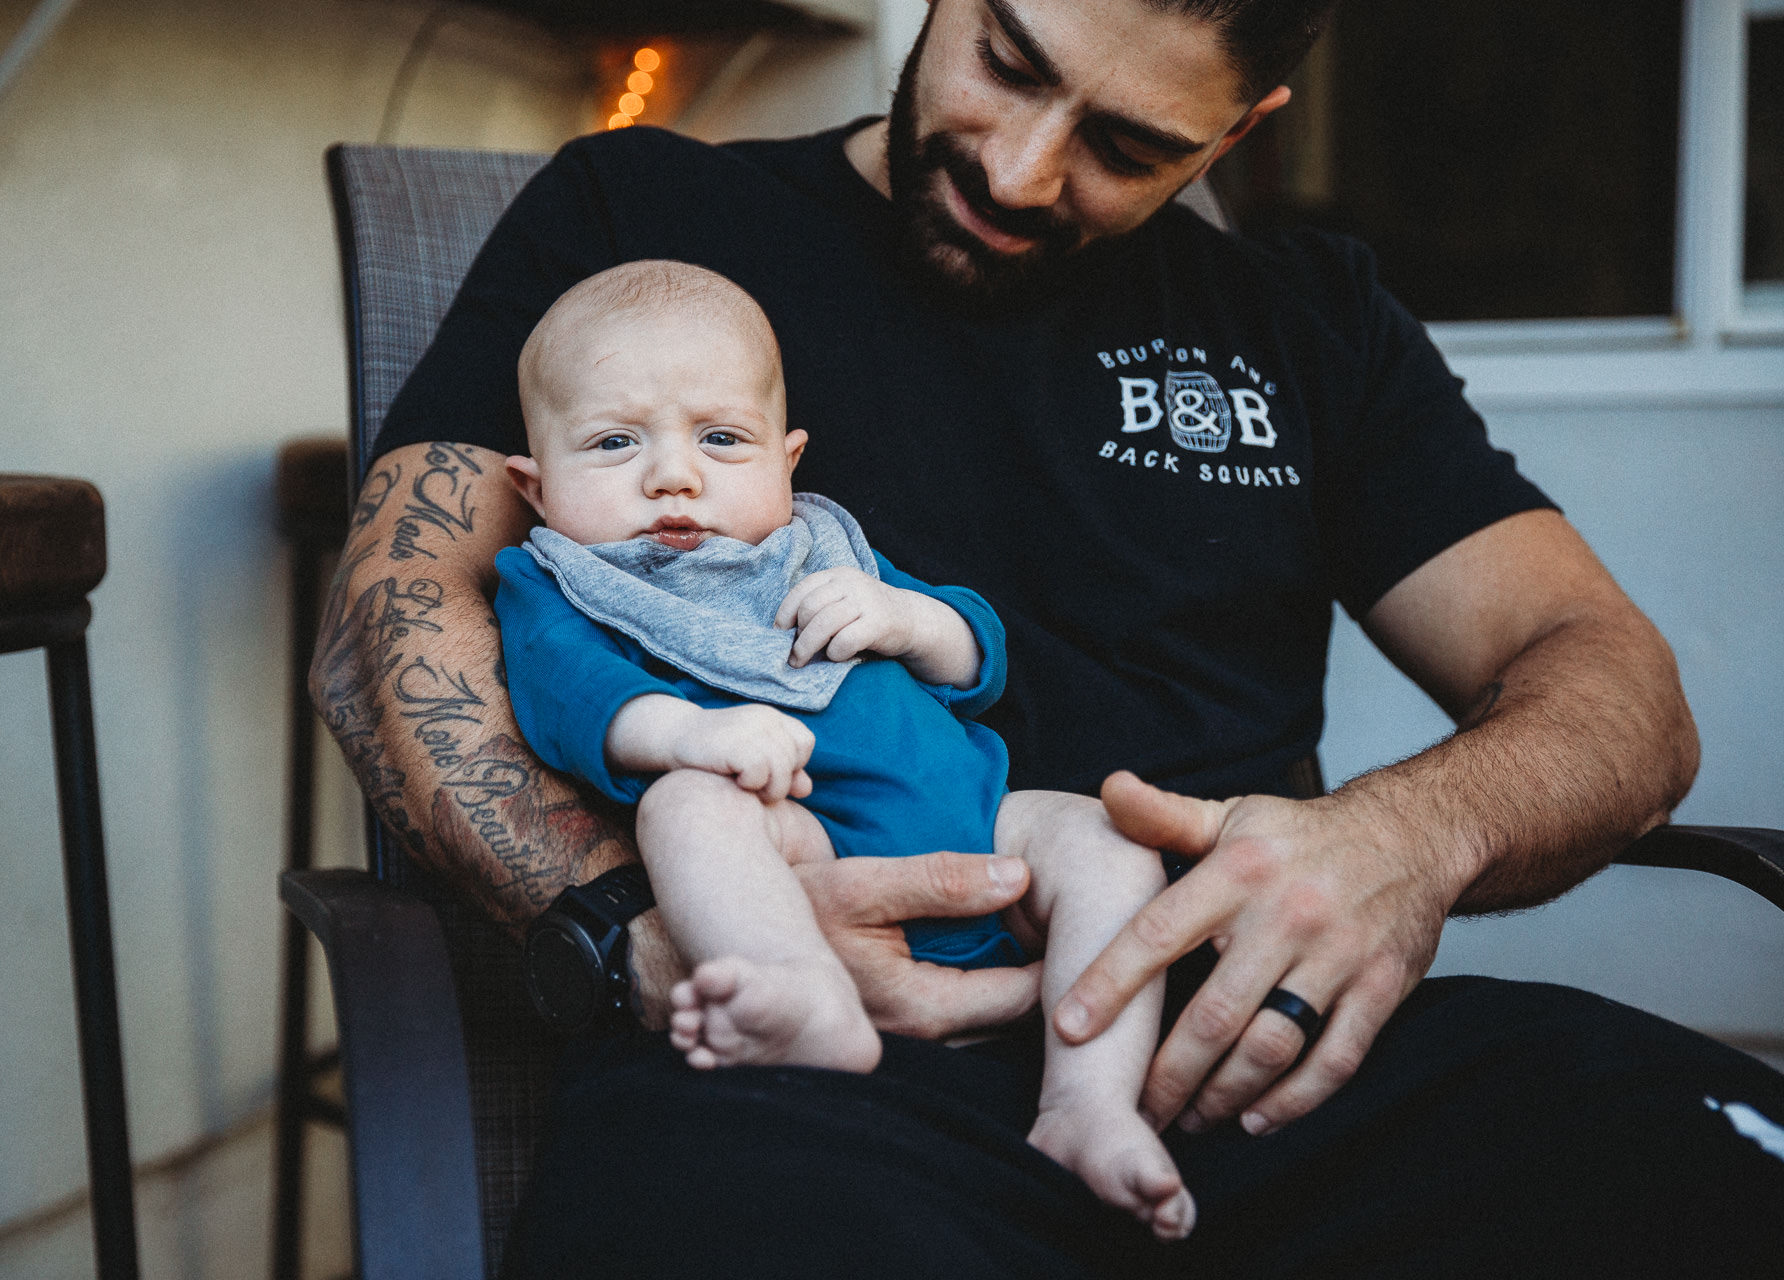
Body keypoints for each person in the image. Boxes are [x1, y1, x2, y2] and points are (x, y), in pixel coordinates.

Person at [312, 0, 1784, 1272]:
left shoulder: (1309, 318)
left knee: (1707, 1175)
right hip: (801, 1085)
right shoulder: (637, 225)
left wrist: (1410, 839)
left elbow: (1621, 693)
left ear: (1240, 130)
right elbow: (395, 619)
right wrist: (639, 928)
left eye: (1129, 145)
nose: (1019, 168)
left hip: (1253, 1058)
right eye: (1008, 58)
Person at [496, 257, 1197, 1236]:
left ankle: (1090, 1101)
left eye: (722, 439)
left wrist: (906, 616)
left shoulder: (823, 546)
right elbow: (568, 694)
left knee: (1105, 832)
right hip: (809, 851)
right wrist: (694, 734)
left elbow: (977, 655)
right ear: (535, 484)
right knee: (686, 807)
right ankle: (796, 989)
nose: (674, 474)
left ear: (788, 460)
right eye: (614, 441)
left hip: (990, 829)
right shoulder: (563, 580)